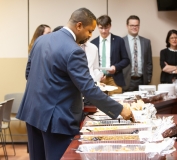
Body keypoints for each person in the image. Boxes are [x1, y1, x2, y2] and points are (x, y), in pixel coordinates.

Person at [16, 8, 133, 160]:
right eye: (90, 31)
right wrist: (120, 110)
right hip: (56, 119)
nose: (90, 36)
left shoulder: (41, 40)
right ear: (79, 26)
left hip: (32, 112)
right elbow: (89, 89)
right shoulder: (74, 50)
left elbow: (28, 74)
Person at [91, 15, 130, 95]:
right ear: (97, 27)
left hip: (115, 79)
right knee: (100, 105)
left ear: (110, 26)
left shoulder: (119, 41)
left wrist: (115, 67)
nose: (104, 31)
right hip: (100, 79)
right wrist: (98, 74)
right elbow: (91, 64)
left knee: (117, 104)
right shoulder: (93, 43)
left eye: (106, 28)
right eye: (101, 28)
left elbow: (126, 60)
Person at [122, 15, 153, 91]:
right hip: (127, 81)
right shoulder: (121, 42)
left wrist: (148, 78)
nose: (134, 27)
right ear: (127, 26)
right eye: (132, 25)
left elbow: (149, 62)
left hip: (142, 81)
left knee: (143, 102)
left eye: (136, 25)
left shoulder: (146, 42)